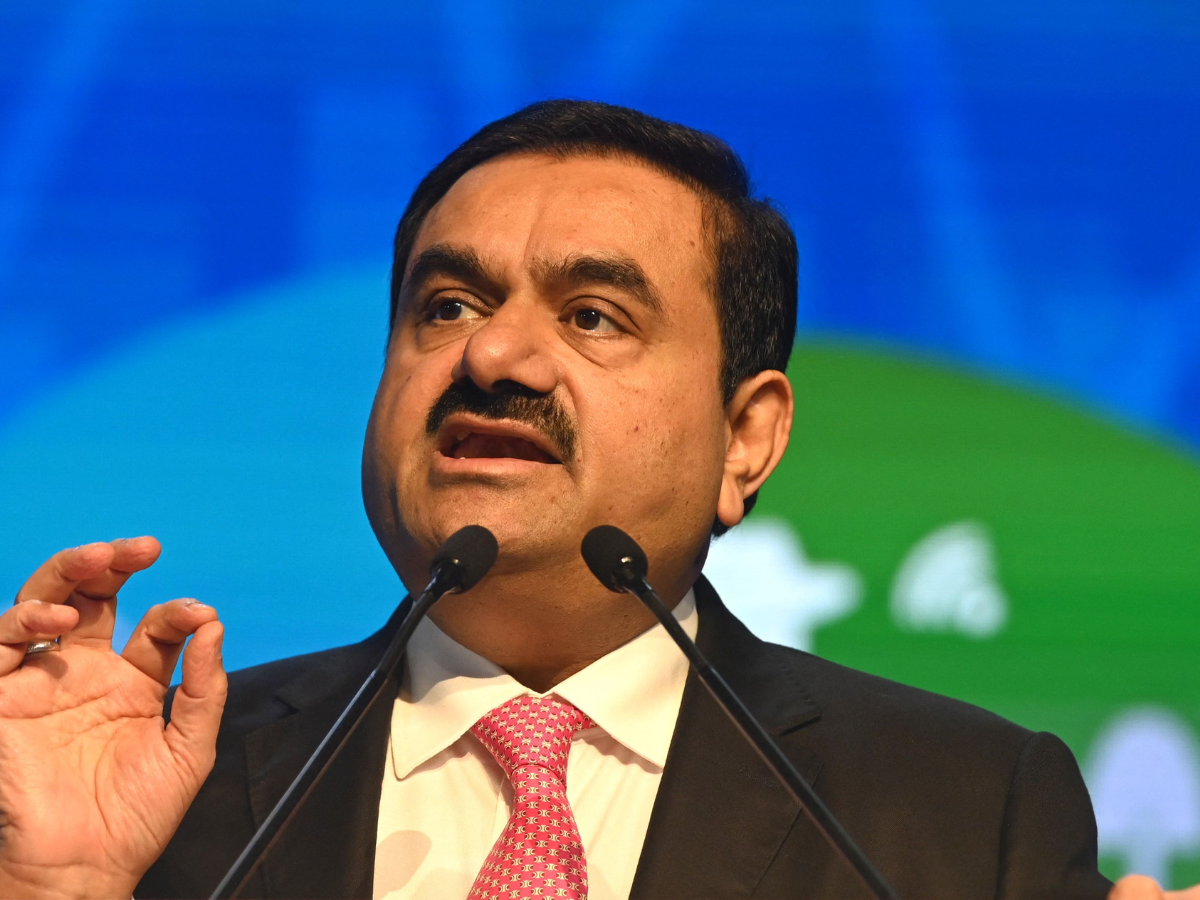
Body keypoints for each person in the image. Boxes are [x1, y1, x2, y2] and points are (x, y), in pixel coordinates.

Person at [0, 100, 1193, 900]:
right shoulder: (161, 789)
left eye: (592, 316)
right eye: (447, 306)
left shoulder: (958, 811)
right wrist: (50, 890)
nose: (492, 357)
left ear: (745, 440)